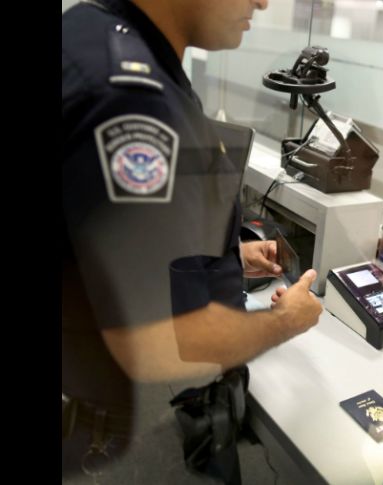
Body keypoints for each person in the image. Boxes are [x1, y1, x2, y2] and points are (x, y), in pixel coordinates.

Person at [62, 0, 322, 481]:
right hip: (130, 432)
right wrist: (285, 321)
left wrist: (229, 257)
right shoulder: (130, 97)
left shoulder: (95, 34)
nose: (263, 2)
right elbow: (160, 341)